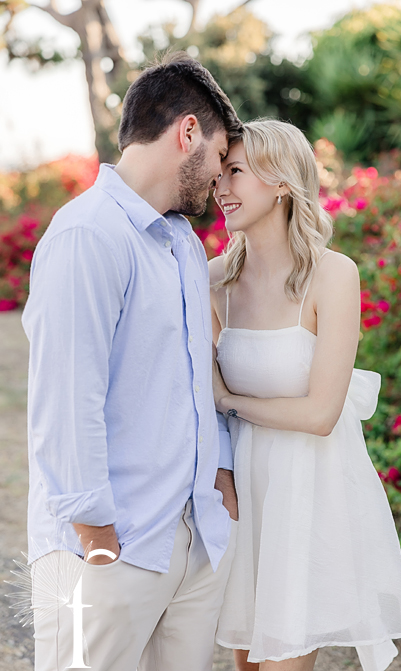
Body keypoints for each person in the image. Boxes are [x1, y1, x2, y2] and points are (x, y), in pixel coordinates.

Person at [23, 52, 242, 670]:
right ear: (188, 132)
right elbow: (67, 398)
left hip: (190, 540)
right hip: (106, 552)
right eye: (221, 158)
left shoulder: (181, 243)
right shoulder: (87, 236)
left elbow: (194, 375)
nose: (221, 181)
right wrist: (96, 536)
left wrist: (220, 479)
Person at [208, 119, 401, 671]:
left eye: (234, 172)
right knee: (245, 661)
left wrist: (229, 401)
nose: (220, 187)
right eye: (218, 174)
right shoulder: (212, 283)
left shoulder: (332, 275)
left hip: (306, 487)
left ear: (280, 181)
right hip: (242, 488)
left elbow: (322, 413)